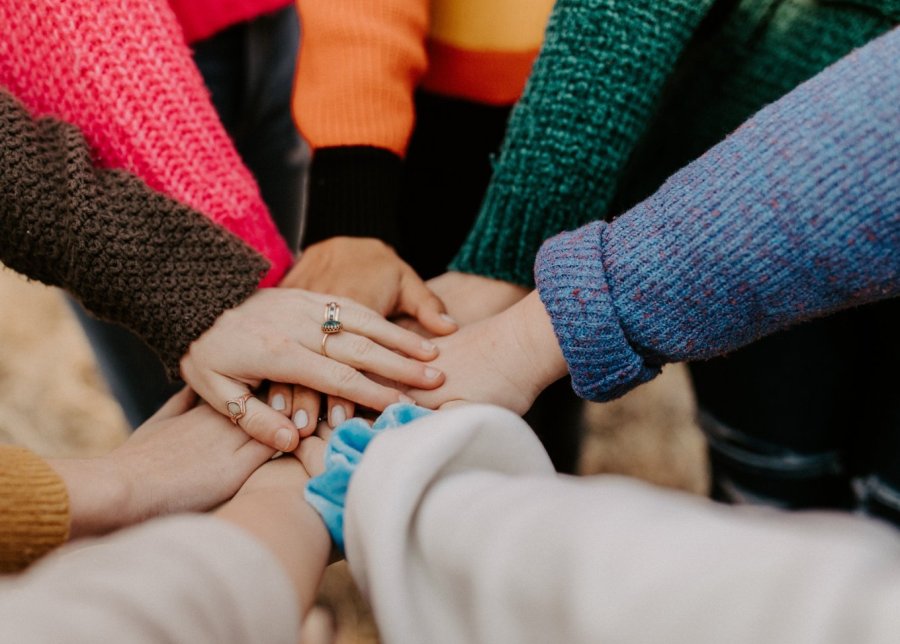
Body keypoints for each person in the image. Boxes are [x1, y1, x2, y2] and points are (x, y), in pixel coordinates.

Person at [0, 85, 442, 454]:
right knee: (210, 440)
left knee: (281, 349)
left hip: (271, 36)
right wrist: (181, 284)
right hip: (90, 104)